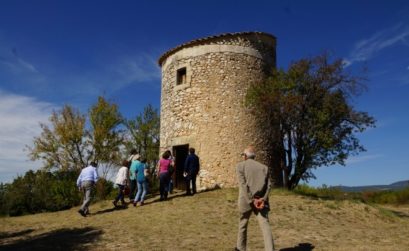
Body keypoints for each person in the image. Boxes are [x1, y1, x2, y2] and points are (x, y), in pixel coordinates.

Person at [235, 146, 274, 251]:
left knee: (243, 223)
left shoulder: (240, 166)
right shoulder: (264, 168)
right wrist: (263, 199)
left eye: (243, 155)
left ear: (245, 156)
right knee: (265, 225)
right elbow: (269, 186)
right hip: (261, 201)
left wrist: (251, 200)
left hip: (246, 200)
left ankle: (240, 248)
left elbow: (243, 185)